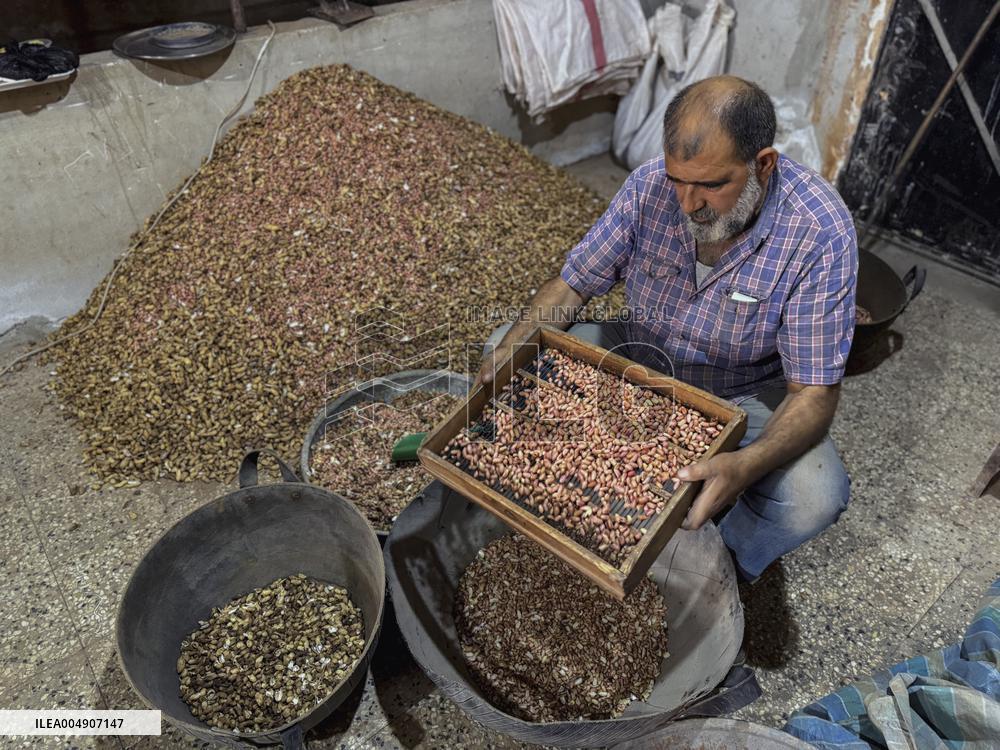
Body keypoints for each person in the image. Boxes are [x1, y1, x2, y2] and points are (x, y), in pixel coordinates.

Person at [477, 75, 857, 582]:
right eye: (679, 179)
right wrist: (511, 347)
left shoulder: (818, 230)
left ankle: (707, 571)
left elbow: (813, 390)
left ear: (762, 165)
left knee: (816, 496)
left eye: (711, 185)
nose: (687, 203)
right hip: (639, 352)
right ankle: (557, 491)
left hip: (739, 391)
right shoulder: (648, 188)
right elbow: (571, 286)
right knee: (507, 344)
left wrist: (744, 467)